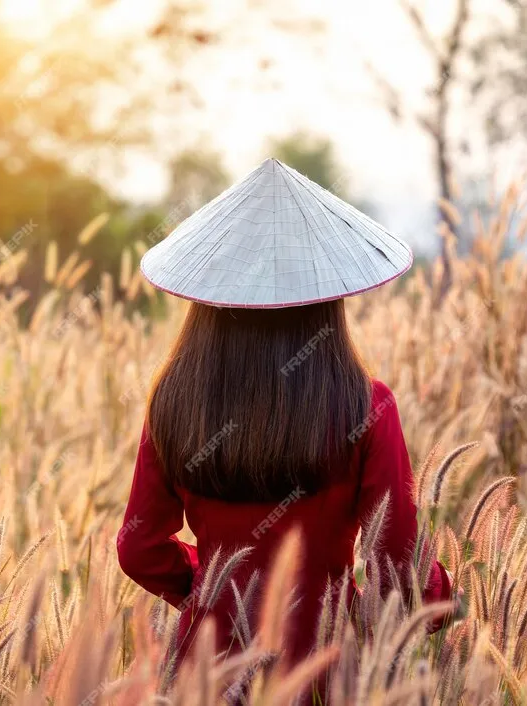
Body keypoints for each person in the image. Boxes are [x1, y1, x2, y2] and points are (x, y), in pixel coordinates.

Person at [115, 158, 455, 676]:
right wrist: (446, 599)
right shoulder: (367, 406)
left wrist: (213, 594)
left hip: (206, 671)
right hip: (325, 665)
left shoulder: (174, 399)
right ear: (326, 299)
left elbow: (139, 548)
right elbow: (398, 571)